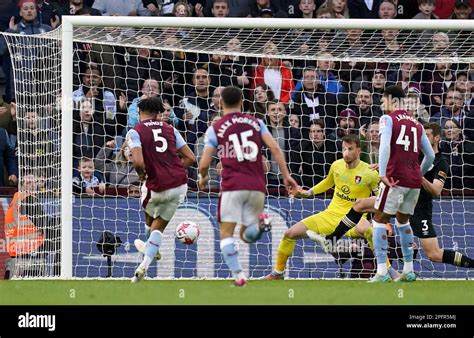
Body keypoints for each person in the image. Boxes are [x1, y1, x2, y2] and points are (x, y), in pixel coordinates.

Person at [318, 122, 474, 274]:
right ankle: (332, 239)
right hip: (400, 199)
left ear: (437, 138)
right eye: (421, 137)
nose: (422, 140)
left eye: (426, 136)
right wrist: (386, 166)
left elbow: (436, 191)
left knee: (434, 254)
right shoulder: (413, 155)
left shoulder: (441, 162)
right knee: (360, 204)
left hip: (419, 208)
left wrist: (418, 176)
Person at [198, 86, 299, 286]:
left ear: (221, 103)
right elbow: (275, 148)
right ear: (242, 102)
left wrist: (201, 177)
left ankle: (239, 275)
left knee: (226, 234)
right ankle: (261, 224)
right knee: (247, 235)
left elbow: (204, 163)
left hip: (232, 186)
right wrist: (287, 176)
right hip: (257, 186)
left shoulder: (216, 127)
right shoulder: (257, 122)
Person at [265, 134, 384, 280]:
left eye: (350, 149)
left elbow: (380, 200)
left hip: (355, 219)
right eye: (344, 148)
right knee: (289, 234)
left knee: (371, 232)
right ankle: (278, 273)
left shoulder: (370, 172)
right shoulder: (336, 165)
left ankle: (386, 271)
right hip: (330, 215)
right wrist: (307, 193)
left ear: (359, 150)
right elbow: (327, 183)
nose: (346, 152)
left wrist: (380, 220)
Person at [370, 85, 435, 282]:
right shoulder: (417, 124)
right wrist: (417, 174)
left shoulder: (387, 119)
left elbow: (384, 148)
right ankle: (408, 270)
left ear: (392, 100)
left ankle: (382, 271)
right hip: (413, 182)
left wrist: (382, 174)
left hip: (394, 179)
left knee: (379, 220)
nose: (382, 104)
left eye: (383, 100)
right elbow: (430, 156)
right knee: (402, 221)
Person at [128, 97, 195, 283]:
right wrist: (173, 169)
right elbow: (190, 157)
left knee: (149, 217)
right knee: (160, 225)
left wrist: (142, 176)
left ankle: (149, 246)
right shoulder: (171, 129)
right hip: (179, 184)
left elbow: (139, 162)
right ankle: (145, 264)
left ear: (139, 112)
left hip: (156, 186)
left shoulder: (135, 131)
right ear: (159, 113)